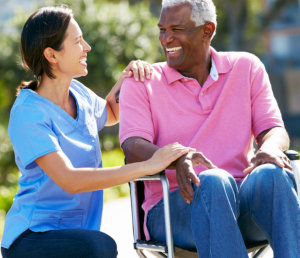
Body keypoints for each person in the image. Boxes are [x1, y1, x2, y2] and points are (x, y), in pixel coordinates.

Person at [0, 6, 195, 258]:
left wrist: (129, 76)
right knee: (100, 247)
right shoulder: (29, 113)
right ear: (52, 54)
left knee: (97, 245)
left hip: (77, 235)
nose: (87, 47)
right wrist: (148, 165)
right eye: (78, 41)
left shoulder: (78, 94)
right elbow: (69, 180)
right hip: (33, 237)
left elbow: (111, 113)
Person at [119, 0, 299, 257]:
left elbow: (274, 129)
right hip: (174, 211)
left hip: (242, 202)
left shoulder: (247, 68)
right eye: (162, 29)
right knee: (214, 181)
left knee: (274, 174)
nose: (166, 39)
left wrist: (269, 147)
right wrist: (178, 157)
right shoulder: (143, 81)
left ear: (207, 30)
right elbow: (132, 147)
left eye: (176, 29)